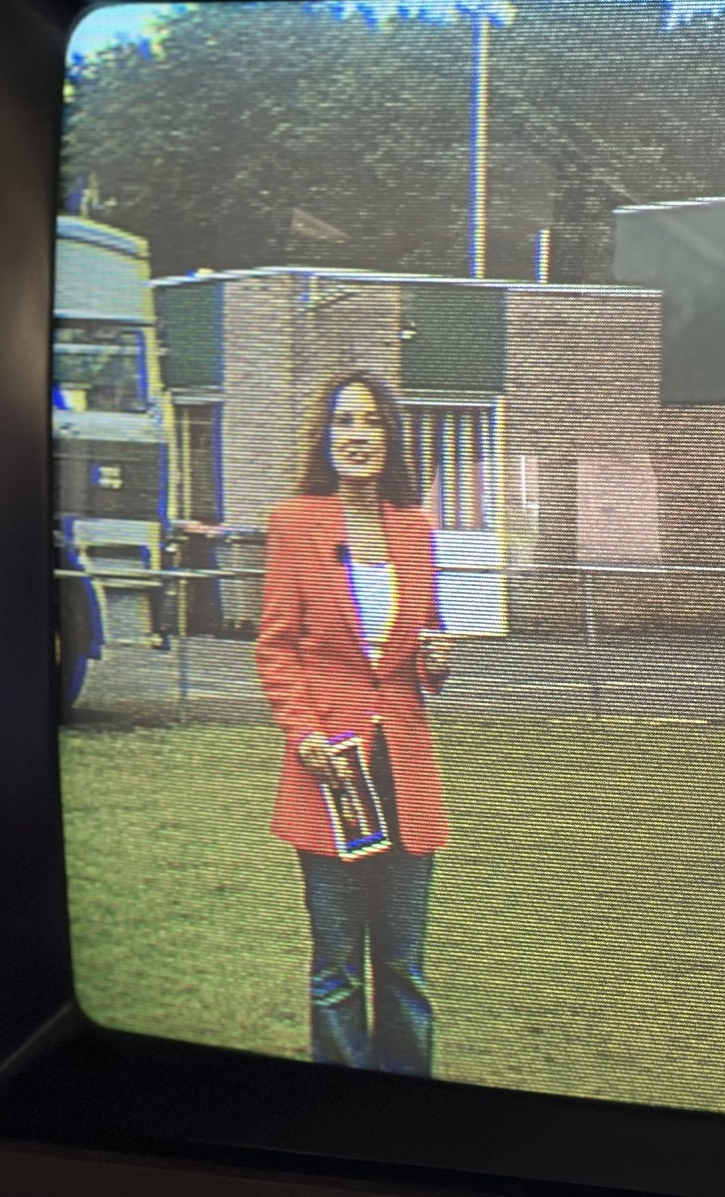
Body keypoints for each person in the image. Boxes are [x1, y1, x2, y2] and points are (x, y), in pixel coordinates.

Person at [256, 370, 455, 1075]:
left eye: (371, 421)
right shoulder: (294, 523)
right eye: (344, 421)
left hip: (403, 770)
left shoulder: (416, 528)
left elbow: (422, 648)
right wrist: (303, 730)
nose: (358, 435)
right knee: (337, 966)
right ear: (325, 435)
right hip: (330, 770)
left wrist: (435, 659)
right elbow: (276, 646)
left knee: (403, 965)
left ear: (391, 437)